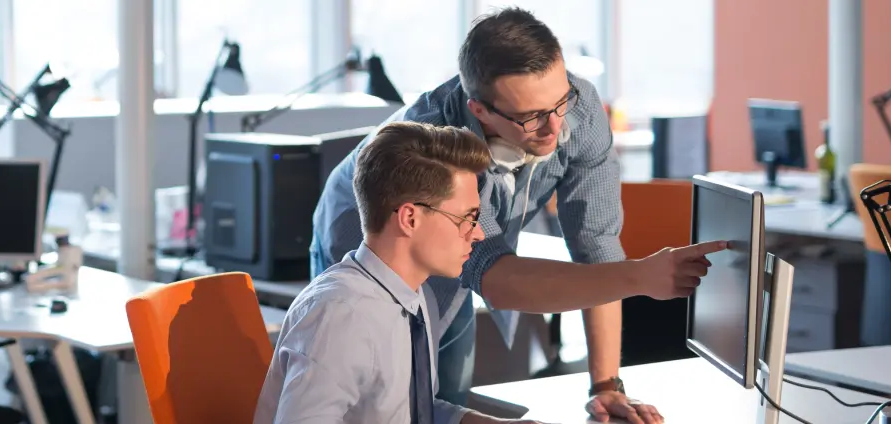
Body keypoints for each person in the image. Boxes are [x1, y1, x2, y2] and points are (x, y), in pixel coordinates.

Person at [310, 7, 726, 424]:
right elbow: (497, 278)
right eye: (530, 117)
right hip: (373, 244)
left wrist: (605, 386)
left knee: (437, 398)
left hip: (452, 257)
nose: (554, 128)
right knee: (379, 403)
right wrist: (642, 277)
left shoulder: (577, 112)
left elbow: (596, 247)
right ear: (480, 111)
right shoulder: (438, 147)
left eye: (560, 102)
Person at [257, 122, 544, 424]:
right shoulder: (340, 315)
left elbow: (413, 411)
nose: (478, 235)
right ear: (409, 218)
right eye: (468, 218)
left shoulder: (416, 298)